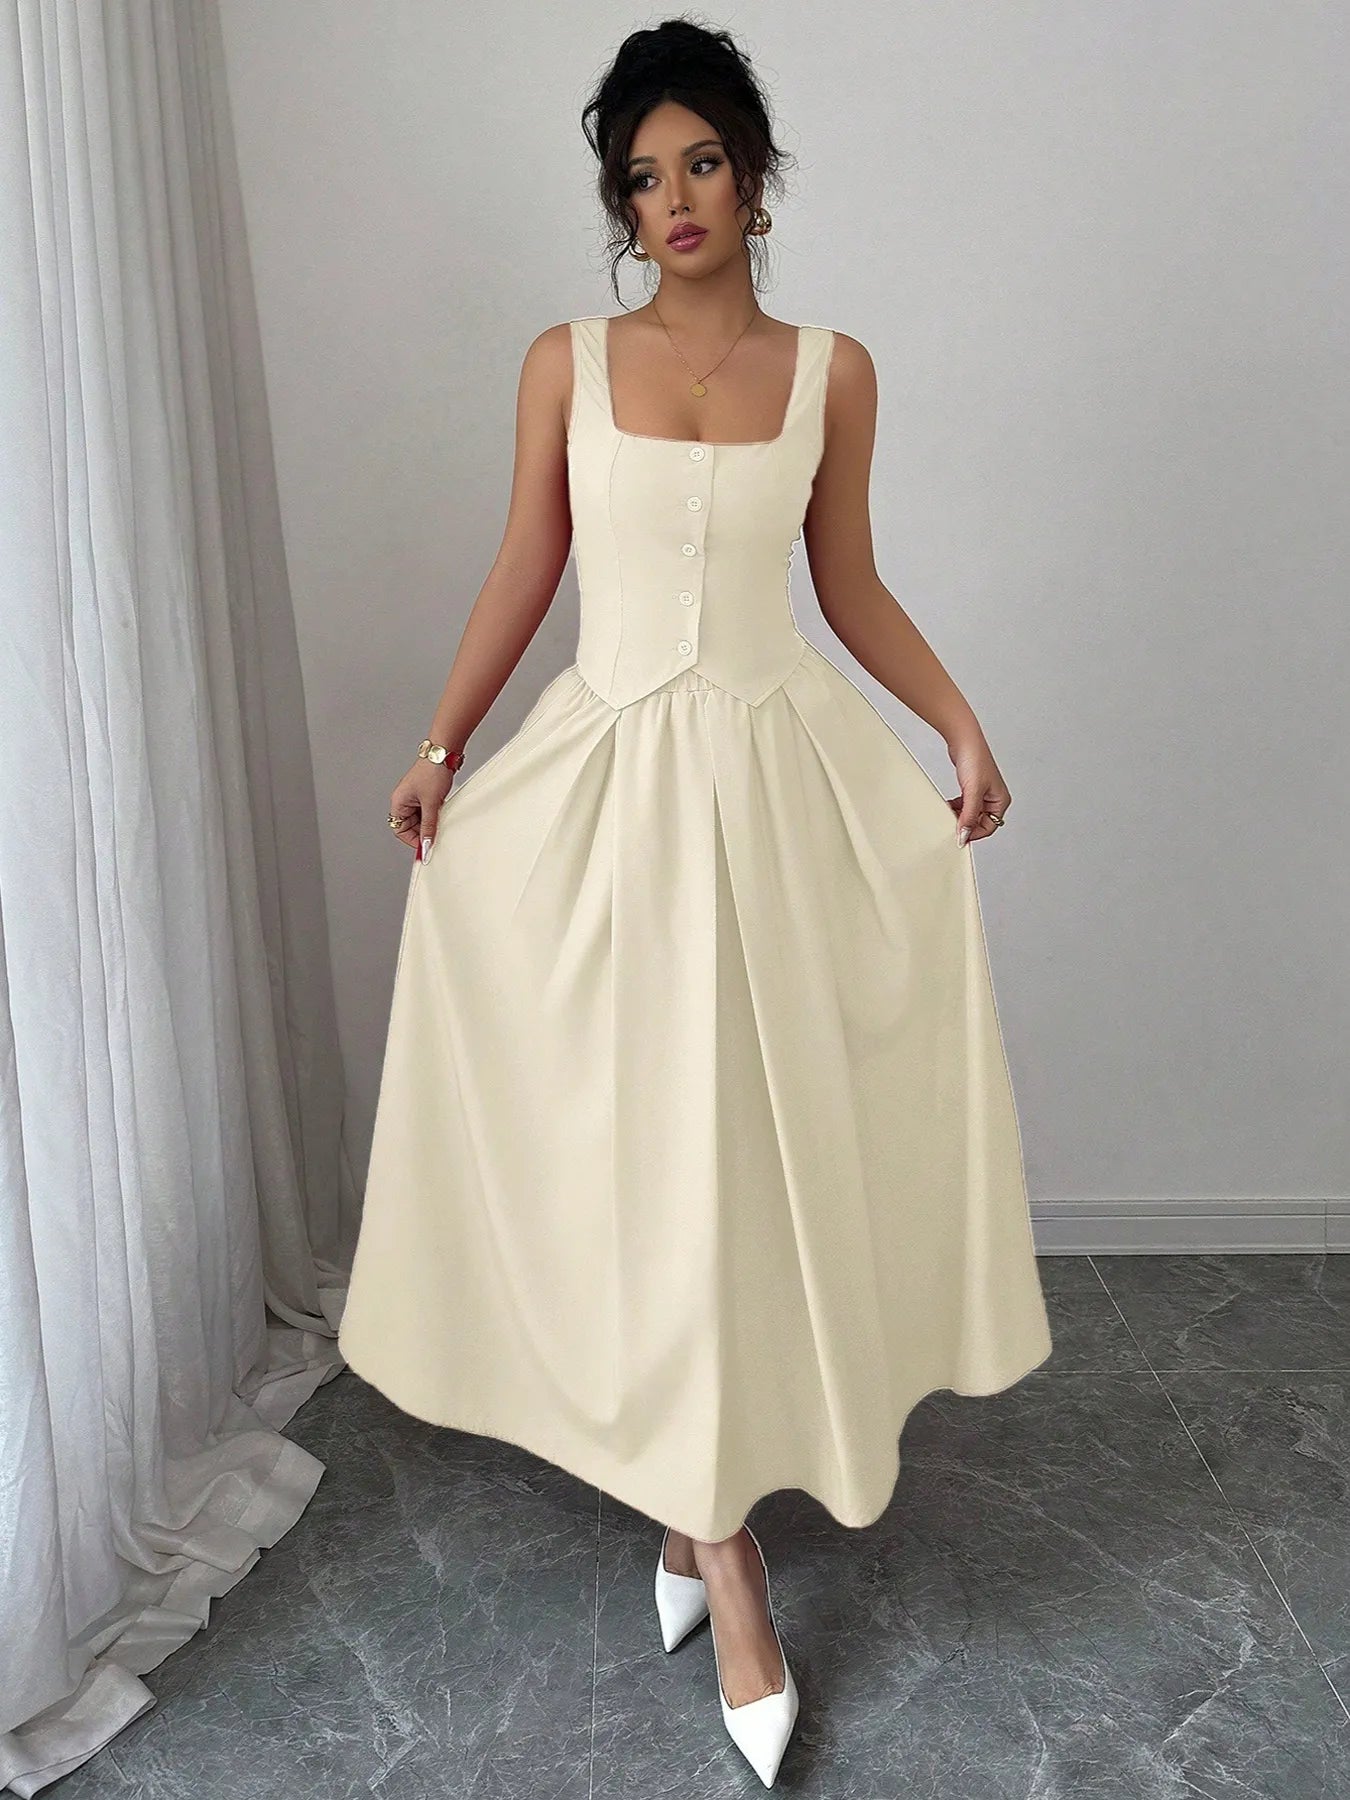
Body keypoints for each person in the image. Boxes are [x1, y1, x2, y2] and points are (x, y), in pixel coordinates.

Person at [338, 17, 1052, 1788]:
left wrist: (954, 721)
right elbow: (531, 563)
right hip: (611, 793)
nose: (672, 200)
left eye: (700, 164)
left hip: (780, 783)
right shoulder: (563, 362)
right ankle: (723, 1553)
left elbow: (848, 583)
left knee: (746, 1155)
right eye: (641, 178)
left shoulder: (836, 370)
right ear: (621, 203)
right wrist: (441, 743)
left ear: (753, 171)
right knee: (646, 1157)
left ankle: (689, 1512)